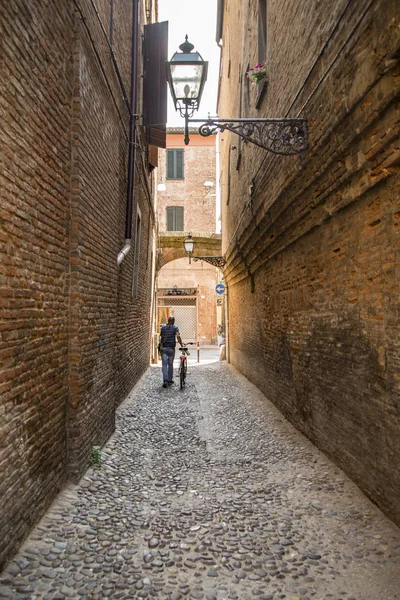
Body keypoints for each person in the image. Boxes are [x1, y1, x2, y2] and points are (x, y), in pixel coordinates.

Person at [160, 316, 183, 388]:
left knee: (164, 364)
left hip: (164, 348)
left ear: (168, 320)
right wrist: (181, 344)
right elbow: (178, 337)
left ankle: (165, 380)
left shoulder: (163, 328)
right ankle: (170, 379)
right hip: (171, 349)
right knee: (170, 364)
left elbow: (161, 337)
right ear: (173, 321)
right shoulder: (175, 328)